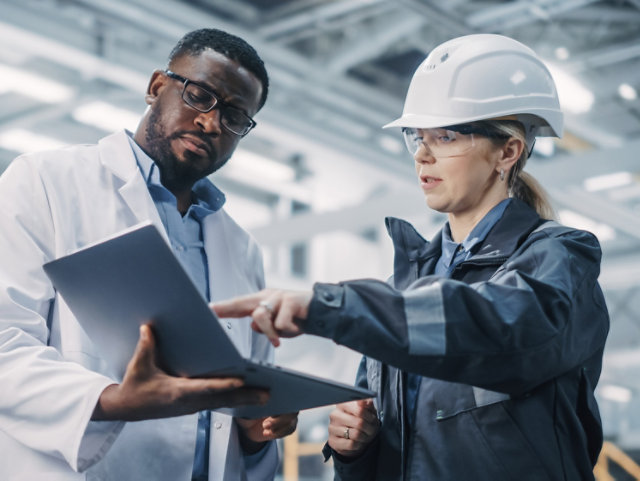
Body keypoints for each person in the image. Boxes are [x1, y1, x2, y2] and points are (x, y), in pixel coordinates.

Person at [214, 34, 610, 480]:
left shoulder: (560, 258)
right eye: (417, 137)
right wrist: (355, 449)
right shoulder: (405, 287)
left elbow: (498, 329)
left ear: (508, 151)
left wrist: (330, 307)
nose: (422, 155)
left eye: (445, 136)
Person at [0, 28, 297, 481]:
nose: (212, 123)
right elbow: (5, 343)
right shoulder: (44, 182)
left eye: (236, 116)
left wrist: (257, 432)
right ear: (157, 87)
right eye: (200, 96)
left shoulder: (242, 250)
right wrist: (114, 400)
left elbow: (238, 406)